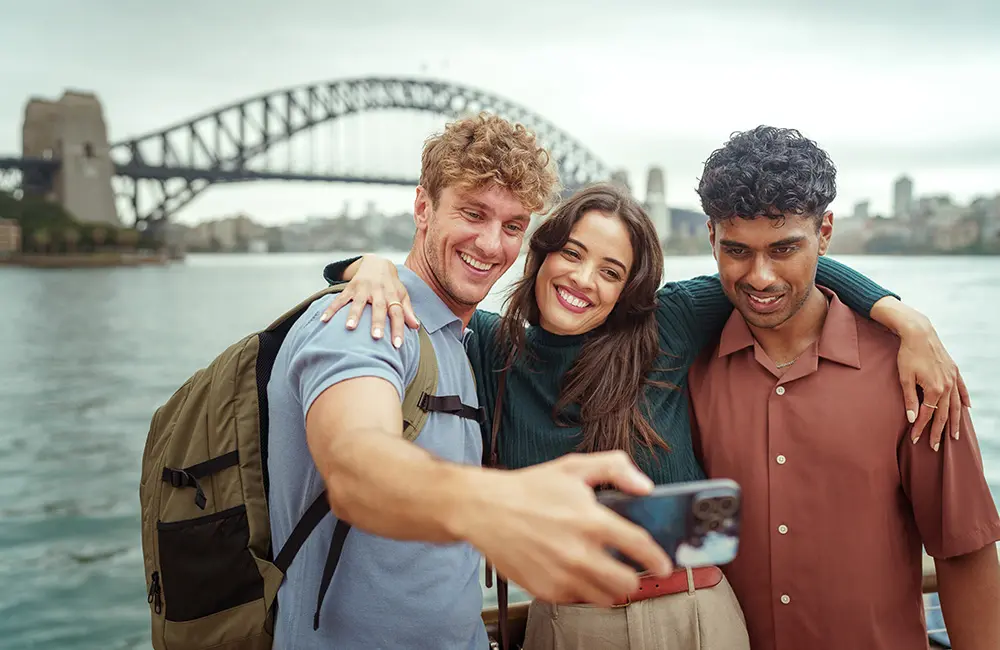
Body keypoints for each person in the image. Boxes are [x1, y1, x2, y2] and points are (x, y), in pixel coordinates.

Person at [321, 181, 965, 648]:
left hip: (691, 613)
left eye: (611, 270)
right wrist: (369, 266)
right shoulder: (489, 346)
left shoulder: (669, 324)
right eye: (571, 254)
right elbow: (408, 291)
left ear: (631, 287)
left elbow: (797, 270)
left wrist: (902, 316)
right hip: (563, 622)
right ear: (541, 254)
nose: (583, 280)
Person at [265, 113, 676, 650]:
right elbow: (355, 464)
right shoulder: (367, 321)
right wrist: (497, 504)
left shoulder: (463, 340)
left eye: (511, 226)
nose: (489, 244)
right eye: (473, 213)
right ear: (422, 207)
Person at [687, 125, 1000, 650]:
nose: (760, 276)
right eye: (737, 250)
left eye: (785, 248)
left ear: (825, 233)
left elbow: (962, 548)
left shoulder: (912, 371)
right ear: (712, 237)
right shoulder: (686, 363)